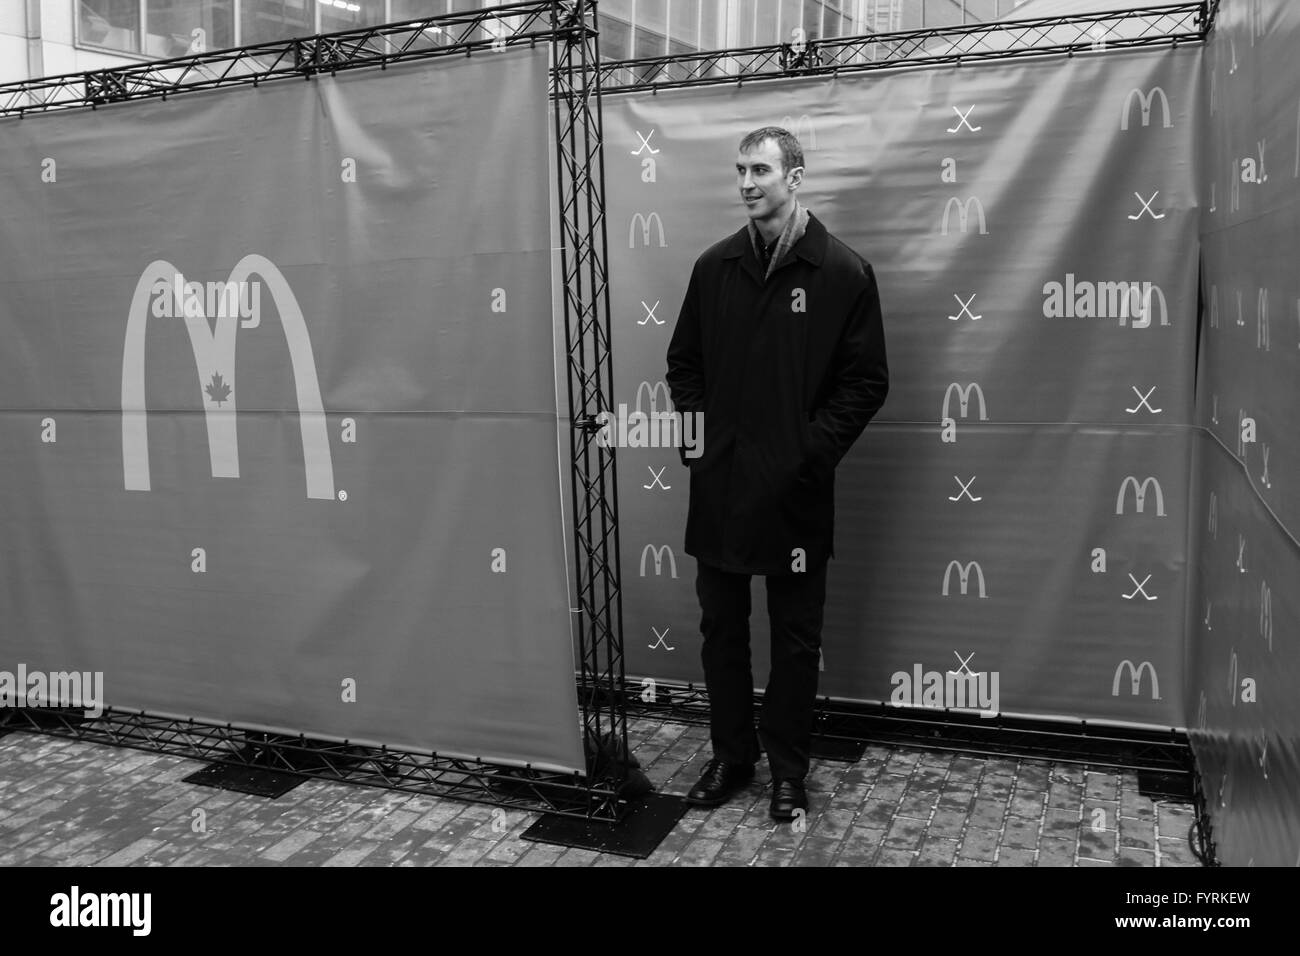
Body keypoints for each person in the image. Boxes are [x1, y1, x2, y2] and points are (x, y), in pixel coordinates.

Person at [665, 125, 889, 821]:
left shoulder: (843, 273)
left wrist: (806, 454)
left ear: (795, 177)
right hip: (722, 489)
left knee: (796, 643)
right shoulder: (713, 268)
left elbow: (865, 383)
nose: (746, 183)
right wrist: (700, 447)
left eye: (760, 169)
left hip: (795, 497)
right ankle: (732, 756)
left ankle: (789, 769)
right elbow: (684, 366)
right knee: (721, 632)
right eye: (739, 170)